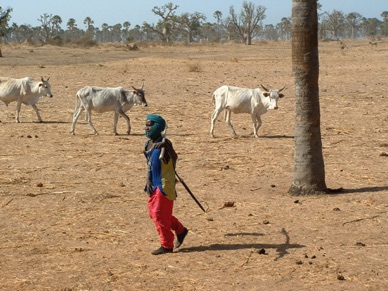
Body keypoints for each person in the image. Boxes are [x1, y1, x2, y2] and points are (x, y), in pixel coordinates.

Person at [144, 114, 188, 255]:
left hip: (164, 183)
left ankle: (167, 244)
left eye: (149, 125)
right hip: (153, 183)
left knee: (159, 214)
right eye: (146, 124)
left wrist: (166, 147)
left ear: (157, 127)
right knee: (154, 213)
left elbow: (174, 158)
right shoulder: (148, 144)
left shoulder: (165, 143)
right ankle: (180, 230)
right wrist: (147, 179)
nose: (147, 127)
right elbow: (150, 164)